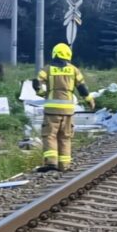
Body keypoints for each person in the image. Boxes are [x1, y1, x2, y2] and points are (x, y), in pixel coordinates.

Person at [33, 43, 95, 172]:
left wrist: (40, 93)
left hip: (52, 111)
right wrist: (89, 101)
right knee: (65, 137)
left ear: (55, 54)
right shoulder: (74, 70)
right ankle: (64, 165)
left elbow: (36, 82)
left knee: (50, 135)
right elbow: (82, 87)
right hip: (68, 110)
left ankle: (51, 163)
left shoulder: (47, 69)